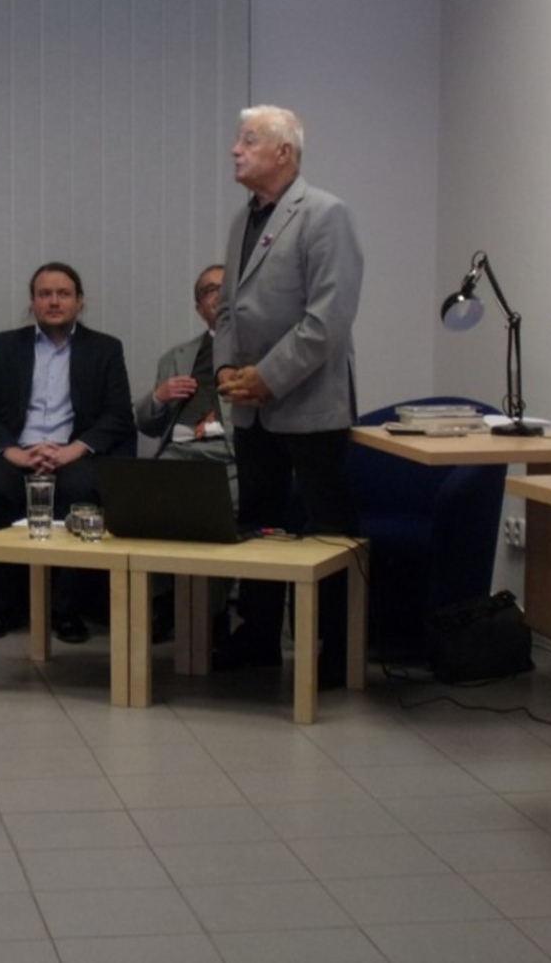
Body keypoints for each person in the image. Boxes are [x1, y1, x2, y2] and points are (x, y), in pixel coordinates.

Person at [213, 104, 363, 683]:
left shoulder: (325, 214)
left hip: (310, 405)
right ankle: (256, 638)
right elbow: (228, 309)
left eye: (248, 140)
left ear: (284, 152)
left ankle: (337, 651)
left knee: (327, 529)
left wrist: (266, 377)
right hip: (251, 408)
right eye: (238, 139)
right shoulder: (242, 219)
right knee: (258, 524)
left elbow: (327, 321)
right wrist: (228, 371)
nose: (235, 150)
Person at [0, 262, 135, 643]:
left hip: (72, 454)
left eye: (63, 294)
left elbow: (119, 414)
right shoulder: (2, 347)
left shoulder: (105, 349)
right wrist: (12, 451)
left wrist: (75, 450)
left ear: (79, 301)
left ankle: (66, 610)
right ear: (33, 302)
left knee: (81, 493)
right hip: (17, 453)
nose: (54, 302)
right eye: (45, 294)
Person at [133, 264, 237, 644]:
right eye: (210, 290)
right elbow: (146, 424)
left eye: (226, 287)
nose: (219, 295)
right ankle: (164, 603)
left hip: (230, 458)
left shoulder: (262, 354)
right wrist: (158, 397)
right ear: (199, 307)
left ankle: (213, 614)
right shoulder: (176, 357)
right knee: (143, 503)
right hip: (178, 453)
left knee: (210, 512)